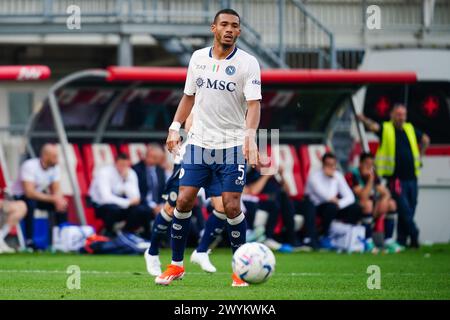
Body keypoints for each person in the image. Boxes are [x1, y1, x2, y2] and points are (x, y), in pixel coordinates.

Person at [156, 8, 262, 287]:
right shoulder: (197, 58)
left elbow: (254, 104)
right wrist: (174, 128)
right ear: (213, 28)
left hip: (231, 146)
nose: (229, 29)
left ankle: (240, 270)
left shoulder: (248, 63)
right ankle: (176, 266)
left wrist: (250, 137)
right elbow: (188, 96)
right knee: (183, 200)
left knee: (230, 205)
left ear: (239, 31)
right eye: (224, 24)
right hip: (199, 144)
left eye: (235, 26)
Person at [144, 114, 228, 276]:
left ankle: (201, 251)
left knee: (223, 207)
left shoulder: (226, 100)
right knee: (171, 208)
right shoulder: (201, 95)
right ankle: (152, 252)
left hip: (213, 158)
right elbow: (189, 125)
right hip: (190, 158)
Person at [358, 104, 430, 248]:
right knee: (404, 208)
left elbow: (425, 140)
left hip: (412, 177)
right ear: (391, 115)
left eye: (403, 114)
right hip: (396, 178)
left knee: (411, 207)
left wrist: (420, 156)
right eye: (398, 114)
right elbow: (374, 127)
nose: (401, 117)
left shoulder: (409, 129)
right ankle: (415, 236)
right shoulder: (387, 129)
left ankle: (402, 240)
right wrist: (363, 119)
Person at [11, 143, 68, 250]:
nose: (57, 159)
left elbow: (56, 190)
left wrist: (59, 201)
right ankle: (29, 241)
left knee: (61, 206)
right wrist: (54, 198)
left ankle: (60, 240)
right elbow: (29, 192)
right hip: (19, 197)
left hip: (37, 196)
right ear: (45, 156)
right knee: (30, 204)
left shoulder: (54, 168)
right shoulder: (29, 166)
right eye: (54, 156)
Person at [305, 152, 366, 249]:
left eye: (333, 164)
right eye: (328, 164)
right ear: (323, 164)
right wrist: (331, 179)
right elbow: (327, 197)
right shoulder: (314, 176)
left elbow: (350, 197)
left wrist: (339, 203)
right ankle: (325, 236)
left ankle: (349, 236)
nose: (331, 167)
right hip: (316, 207)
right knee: (331, 207)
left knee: (356, 207)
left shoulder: (337, 175)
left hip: (335, 206)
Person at [346, 152, 403, 253]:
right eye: (367, 164)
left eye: (371, 165)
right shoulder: (353, 174)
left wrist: (384, 202)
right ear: (360, 163)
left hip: (372, 209)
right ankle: (367, 241)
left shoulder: (373, 174)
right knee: (367, 204)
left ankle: (388, 241)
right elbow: (363, 196)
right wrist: (370, 180)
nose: (369, 167)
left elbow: (386, 192)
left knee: (391, 203)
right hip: (352, 208)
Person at [89, 153, 151, 237]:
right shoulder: (104, 173)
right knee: (114, 210)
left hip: (121, 204)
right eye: (121, 165)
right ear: (115, 163)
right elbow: (105, 198)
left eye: (126, 165)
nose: (123, 167)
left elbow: (136, 198)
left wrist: (126, 180)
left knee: (142, 210)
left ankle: (126, 232)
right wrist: (128, 203)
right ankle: (108, 233)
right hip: (101, 206)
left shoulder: (130, 173)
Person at [132, 143, 167, 237]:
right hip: (142, 203)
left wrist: (162, 204)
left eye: (155, 157)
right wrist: (153, 207)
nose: (150, 159)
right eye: (150, 156)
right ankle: (148, 236)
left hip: (159, 205)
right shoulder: (136, 169)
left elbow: (163, 191)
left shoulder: (160, 170)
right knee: (143, 210)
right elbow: (136, 193)